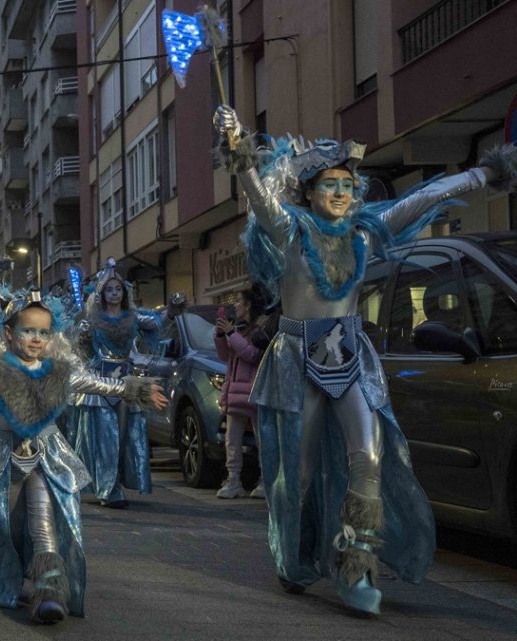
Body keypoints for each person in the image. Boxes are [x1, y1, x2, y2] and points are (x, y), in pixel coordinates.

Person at [213, 105, 517, 614]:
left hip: (350, 357)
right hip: (295, 361)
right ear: (309, 191)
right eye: (328, 184)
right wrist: (238, 144)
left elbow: (427, 194)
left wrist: (487, 171)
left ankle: (357, 566)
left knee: (369, 456)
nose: (339, 193)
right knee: (301, 471)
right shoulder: (289, 230)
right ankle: (294, 556)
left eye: (348, 185)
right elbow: (260, 199)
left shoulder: (365, 233)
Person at [0, 290, 166, 623]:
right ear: (8, 332)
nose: (35, 338)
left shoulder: (58, 372)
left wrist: (135, 389)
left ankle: (50, 591)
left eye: (43, 332)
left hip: (45, 456)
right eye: (28, 330)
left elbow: (98, 383)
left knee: (43, 522)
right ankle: (5, 577)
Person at [67, 259, 167, 508]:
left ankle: (116, 484)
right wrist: (82, 336)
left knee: (123, 436)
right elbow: (81, 352)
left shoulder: (133, 317)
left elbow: (156, 322)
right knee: (105, 436)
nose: (114, 293)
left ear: (124, 293)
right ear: (102, 294)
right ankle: (108, 490)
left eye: (118, 289)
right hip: (100, 380)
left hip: (127, 378)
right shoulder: (92, 320)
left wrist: (172, 310)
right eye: (110, 290)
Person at [212, 283, 271, 499]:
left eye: (239, 301)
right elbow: (226, 356)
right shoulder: (239, 328)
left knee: (261, 440)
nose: (235, 306)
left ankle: (266, 480)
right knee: (232, 440)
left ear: (248, 305)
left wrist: (231, 334)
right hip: (236, 391)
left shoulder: (260, 330)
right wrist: (221, 336)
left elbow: (252, 355)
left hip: (253, 391)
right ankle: (233, 479)